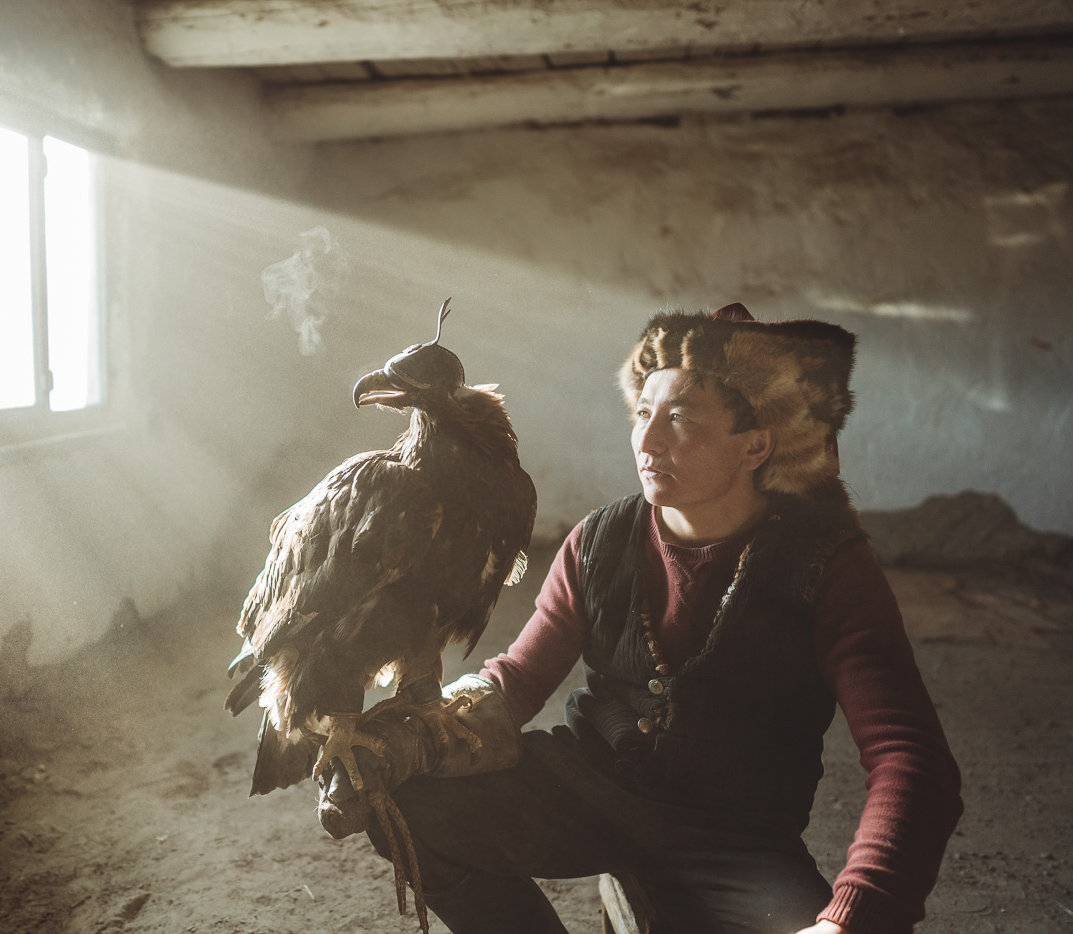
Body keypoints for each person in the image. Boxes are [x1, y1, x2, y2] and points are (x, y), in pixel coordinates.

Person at [318, 304, 964, 934]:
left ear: (755, 444)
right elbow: (516, 678)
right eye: (644, 413)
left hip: (735, 837)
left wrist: (853, 917)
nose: (647, 440)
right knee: (410, 800)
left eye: (680, 418)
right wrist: (412, 740)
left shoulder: (829, 567)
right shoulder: (599, 540)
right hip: (587, 791)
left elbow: (910, 760)